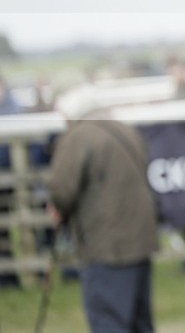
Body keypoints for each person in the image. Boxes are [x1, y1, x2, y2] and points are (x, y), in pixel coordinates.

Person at [47, 86, 158, 332]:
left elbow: (62, 189)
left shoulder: (78, 136)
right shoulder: (126, 130)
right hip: (140, 238)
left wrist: (58, 209)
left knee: (109, 319)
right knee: (140, 321)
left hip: (105, 242)